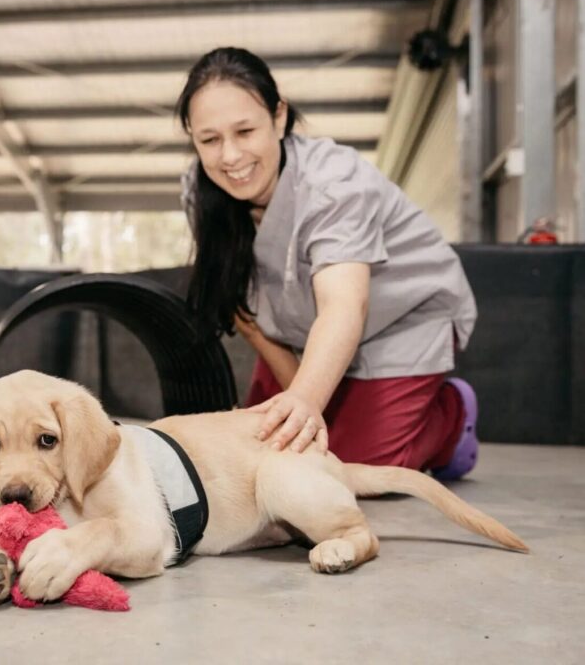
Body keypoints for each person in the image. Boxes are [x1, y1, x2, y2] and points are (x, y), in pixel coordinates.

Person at [176, 47, 479, 479]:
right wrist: (296, 388)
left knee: (355, 467)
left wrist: (305, 401)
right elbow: (236, 301)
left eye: (245, 131)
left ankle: (449, 416)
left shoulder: (334, 182)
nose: (230, 157)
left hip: (398, 324)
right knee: (270, 448)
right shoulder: (199, 189)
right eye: (209, 139)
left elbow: (344, 307)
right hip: (301, 329)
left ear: (278, 117)